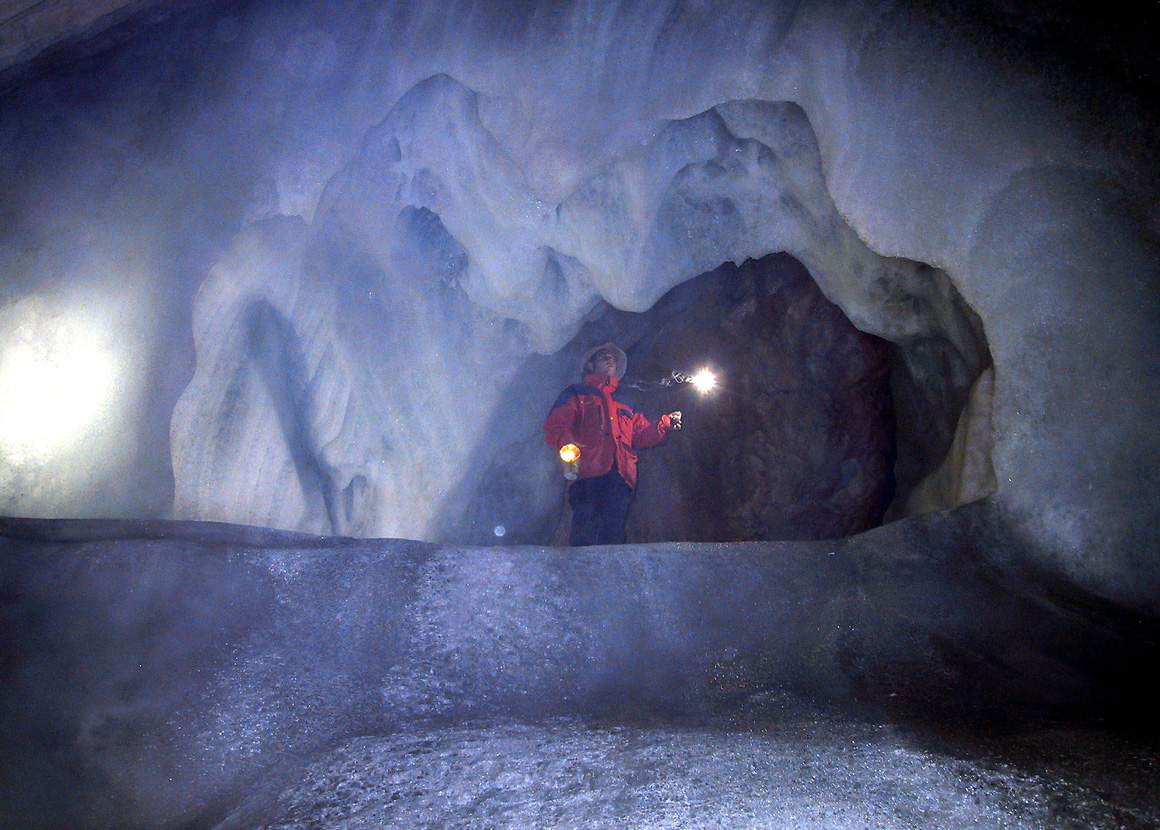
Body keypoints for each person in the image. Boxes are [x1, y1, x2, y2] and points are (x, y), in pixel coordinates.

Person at [544, 342, 681, 545]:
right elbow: (555, 426)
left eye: (613, 358)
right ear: (590, 365)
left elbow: (641, 435)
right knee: (585, 529)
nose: (610, 360)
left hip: (619, 476)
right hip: (586, 475)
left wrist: (665, 423)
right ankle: (581, 574)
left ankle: (611, 575)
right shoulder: (576, 394)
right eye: (603, 356)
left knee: (614, 531)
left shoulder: (626, 404)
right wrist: (569, 447)